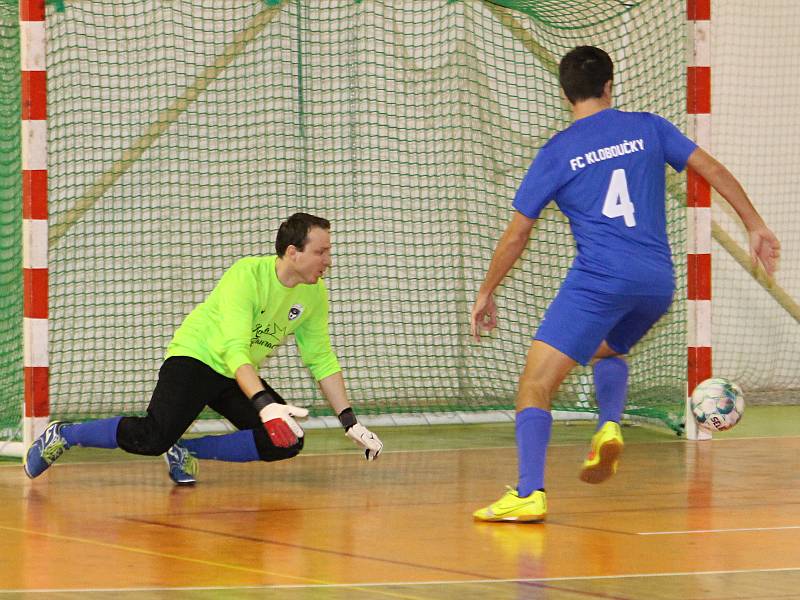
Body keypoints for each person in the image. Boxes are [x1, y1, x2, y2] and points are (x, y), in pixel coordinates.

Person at [470, 46, 780, 523]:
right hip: (657, 283)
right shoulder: (648, 127)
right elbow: (711, 170)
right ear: (610, 86)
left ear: (564, 93)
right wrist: (755, 225)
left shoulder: (558, 151)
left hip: (600, 280)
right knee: (607, 349)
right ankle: (610, 425)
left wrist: (487, 289)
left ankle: (530, 492)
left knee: (534, 385)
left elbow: (517, 234)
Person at [24, 212, 383, 484]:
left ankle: (185, 450)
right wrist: (263, 403)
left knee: (285, 441)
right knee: (152, 438)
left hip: (233, 375)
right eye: (321, 252)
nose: (328, 261)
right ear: (293, 252)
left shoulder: (314, 294)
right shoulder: (247, 276)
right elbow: (233, 350)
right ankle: (65, 434)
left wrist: (349, 421)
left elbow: (321, 357)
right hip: (196, 359)